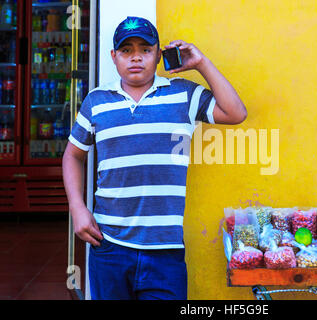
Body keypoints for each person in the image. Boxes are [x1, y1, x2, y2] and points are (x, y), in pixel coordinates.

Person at [62, 16, 247, 300]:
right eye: (126, 50)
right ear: (114, 57)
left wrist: (200, 63)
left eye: (145, 49)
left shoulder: (184, 94)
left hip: (165, 250)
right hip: (108, 245)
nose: (136, 57)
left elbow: (236, 113)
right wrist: (77, 208)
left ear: (160, 55)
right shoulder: (96, 101)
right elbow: (73, 156)